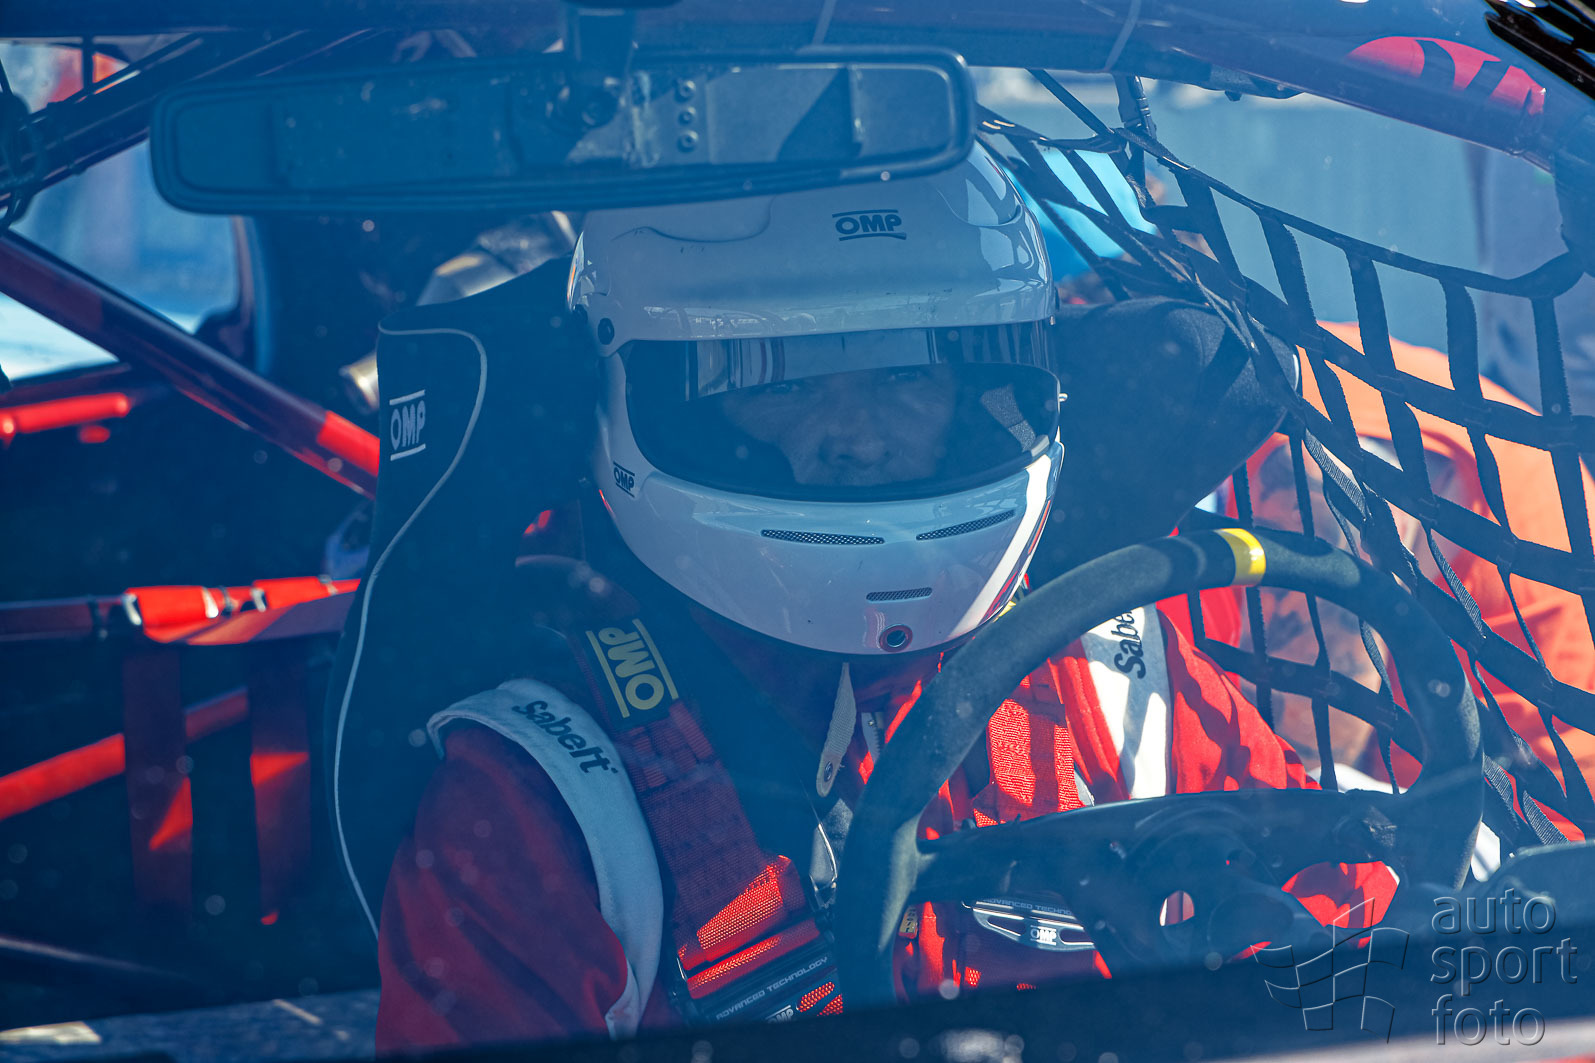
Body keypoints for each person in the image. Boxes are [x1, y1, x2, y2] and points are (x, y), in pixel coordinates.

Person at [372, 147, 1389, 1050]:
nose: (853, 438)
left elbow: (1346, 928)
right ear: (658, 404)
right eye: (777, 382)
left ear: (983, 391)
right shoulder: (546, 797)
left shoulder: (1112, 666)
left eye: (904, 374)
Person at [1241, 321, 1595, 851]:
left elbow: (1300, 778)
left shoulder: (1309, 467)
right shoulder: (1275, 359)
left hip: (1523, 846)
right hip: (1439, 788)